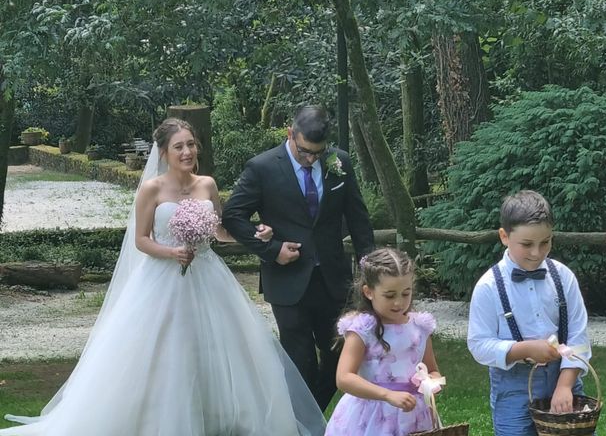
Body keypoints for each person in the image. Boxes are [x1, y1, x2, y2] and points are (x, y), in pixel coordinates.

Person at [1, 118, 326, 436]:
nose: (187, 152)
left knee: (212, 347)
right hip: (161, 279)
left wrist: (257, 234)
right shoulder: (151, 190)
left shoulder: (207, 185)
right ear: (164, 152)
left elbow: (220, 231)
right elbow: (141, 240)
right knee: (166, 349)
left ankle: (213, 415)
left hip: (206, 275)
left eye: (190, 145)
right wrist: (172, 253)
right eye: (178, 147)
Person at [222, 105, 375, 410]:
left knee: (341, 351)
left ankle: (309, 418)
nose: (311, 159)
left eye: (318, 153)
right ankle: (307, 427)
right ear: (290, 133)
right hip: (287, 281)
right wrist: (271, 249)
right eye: (305, 151)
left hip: (334, 278)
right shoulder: (262, 167)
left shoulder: (339, 162)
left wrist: (370, 268)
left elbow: (358, 218)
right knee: (300, 359)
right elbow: (233, 216)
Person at [467, 190, 592, 436]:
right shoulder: (489, 286)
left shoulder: (563, 277)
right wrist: (523, 349)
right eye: (526, 244)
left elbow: (578, 337)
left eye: (545, 242)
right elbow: (479, 344)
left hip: (564, 377)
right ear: (504, 236)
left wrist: (565, 385)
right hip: (513, 388)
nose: (537, 252)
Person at [325, 247, 441, 435]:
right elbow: (344, 378)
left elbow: (433, 370)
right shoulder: (363, 329)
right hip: (371, 414)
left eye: (406, 293)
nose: (399, 302)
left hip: (413, 414)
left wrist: (430, 382)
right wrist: (387, 395)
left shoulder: (419, 327)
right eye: (390, 295)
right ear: (369, 292)